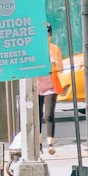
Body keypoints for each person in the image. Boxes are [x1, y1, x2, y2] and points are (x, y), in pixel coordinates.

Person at [38, 24, 64, 155]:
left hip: (51, 85)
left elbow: (61, 67)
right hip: (36, 85)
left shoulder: (55, 49)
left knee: (49, 115)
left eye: (47, 34)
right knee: (36, 116)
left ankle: (50, 144)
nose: (45, 37)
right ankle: (38, 143)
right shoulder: (35, 49)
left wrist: (55, 63)